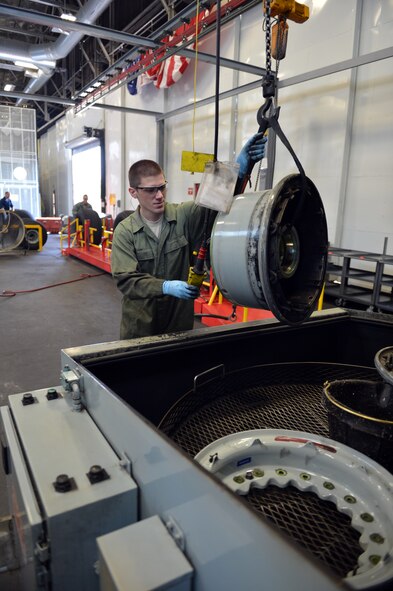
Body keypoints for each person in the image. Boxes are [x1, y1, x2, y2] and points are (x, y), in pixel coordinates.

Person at [111, 133, 267, 340]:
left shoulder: (182, 216)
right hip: (140, 326)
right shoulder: (125, 231)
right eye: (150, 190)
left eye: (162, 187)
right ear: (133, 192)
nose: (159, 195)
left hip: (179, 325)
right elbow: (126, 280)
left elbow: (212, 203)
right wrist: (165, 286)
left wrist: (238, 169)